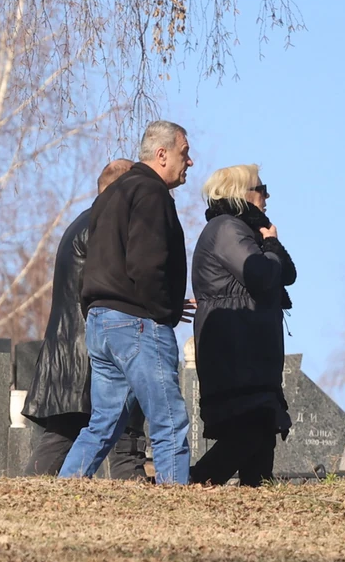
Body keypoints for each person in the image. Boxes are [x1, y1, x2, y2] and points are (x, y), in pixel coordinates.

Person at [58, 121, 195, 484]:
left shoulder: (110, 196)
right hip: (137, 323)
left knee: (103, 422)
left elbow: (106, 262)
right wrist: (163, 310)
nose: (190, 161)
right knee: (169, 420)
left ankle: (65, 489)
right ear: (162, 154)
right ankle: (177, 504)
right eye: (184, 153)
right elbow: (146, 265)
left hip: (101, 322)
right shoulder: (151, 192)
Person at [21, 159, 149, 479]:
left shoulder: (83, 222)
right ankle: (24, 492)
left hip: (71, 350)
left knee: (65, 435)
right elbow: (117, 286)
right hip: (89, 350)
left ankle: (26, 491)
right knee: (117, 437)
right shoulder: (103, 226)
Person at [188, 164, 296, 487]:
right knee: (250, 430)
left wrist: (271, 245)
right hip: (235, 350)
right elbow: (260, 274)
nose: (267, 196)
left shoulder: (245, 231)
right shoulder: (226, 229)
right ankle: (194, 485)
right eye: (261, 189)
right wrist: (272, 246)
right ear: (241, 194)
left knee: (261, 434)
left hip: (249, 351)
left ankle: (258, 503)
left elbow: (287, 274)